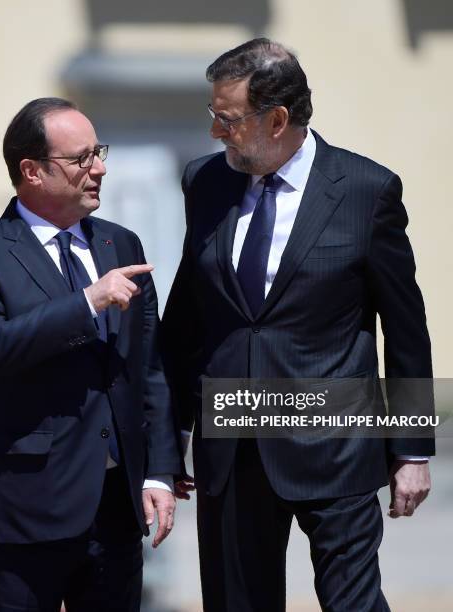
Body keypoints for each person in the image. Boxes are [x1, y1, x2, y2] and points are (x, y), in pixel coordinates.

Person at [162, 39, 434, 611]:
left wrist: (412, 450)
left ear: (278, 119)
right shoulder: (204, 184)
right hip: (231, 448)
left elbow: (405, 327)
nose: (215, 132)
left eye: (227, 119)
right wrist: (170, 438)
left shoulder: (366, 191)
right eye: (213, 116)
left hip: (335, 446)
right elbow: (186, 319)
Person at [0, 97, 183, 612]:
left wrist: (160, 472)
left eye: (98, 152)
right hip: (27, 511)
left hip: (116, 511)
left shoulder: (122, 244)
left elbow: (150, 370)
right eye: (80, 159)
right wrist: (86, 302)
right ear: (31, 171)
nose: (98, 168)